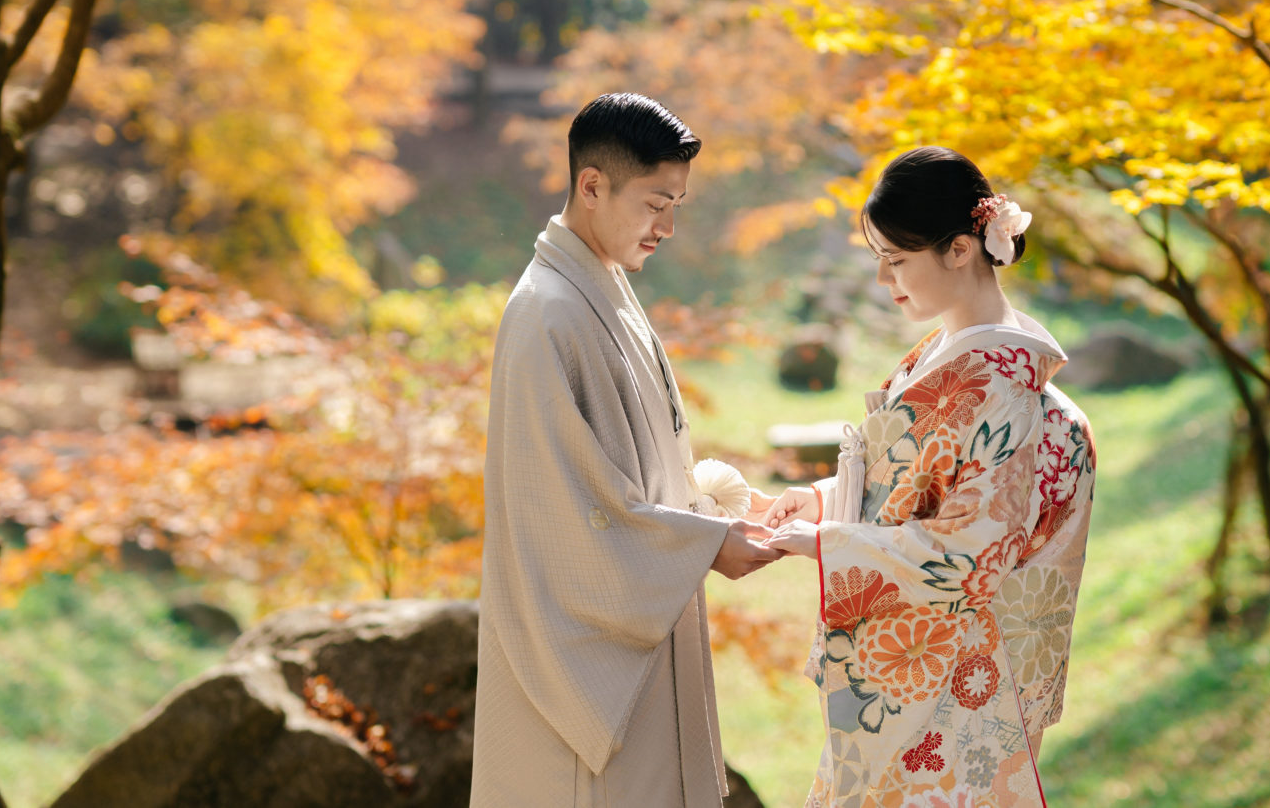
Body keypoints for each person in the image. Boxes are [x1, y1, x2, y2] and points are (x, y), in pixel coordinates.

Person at [762, 147, 1099, 808]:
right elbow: (911, 488)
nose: (883, 277)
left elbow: (971, 552)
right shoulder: (954, 353)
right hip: (929, 664)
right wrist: (822, 500)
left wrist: (828, 544)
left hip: (964, 679)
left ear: (960, 249)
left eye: (896, 259)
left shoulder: (1005, 385)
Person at [471, 93, 780, 808]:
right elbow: (567, 514)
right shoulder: (548, 312)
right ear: (592, 185)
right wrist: (706, 544)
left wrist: (714, 508)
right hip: (586, 669)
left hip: (644, 634)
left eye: (676, 205)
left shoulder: (599, 285)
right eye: (655, 204)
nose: (667, 227)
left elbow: (637, 466)